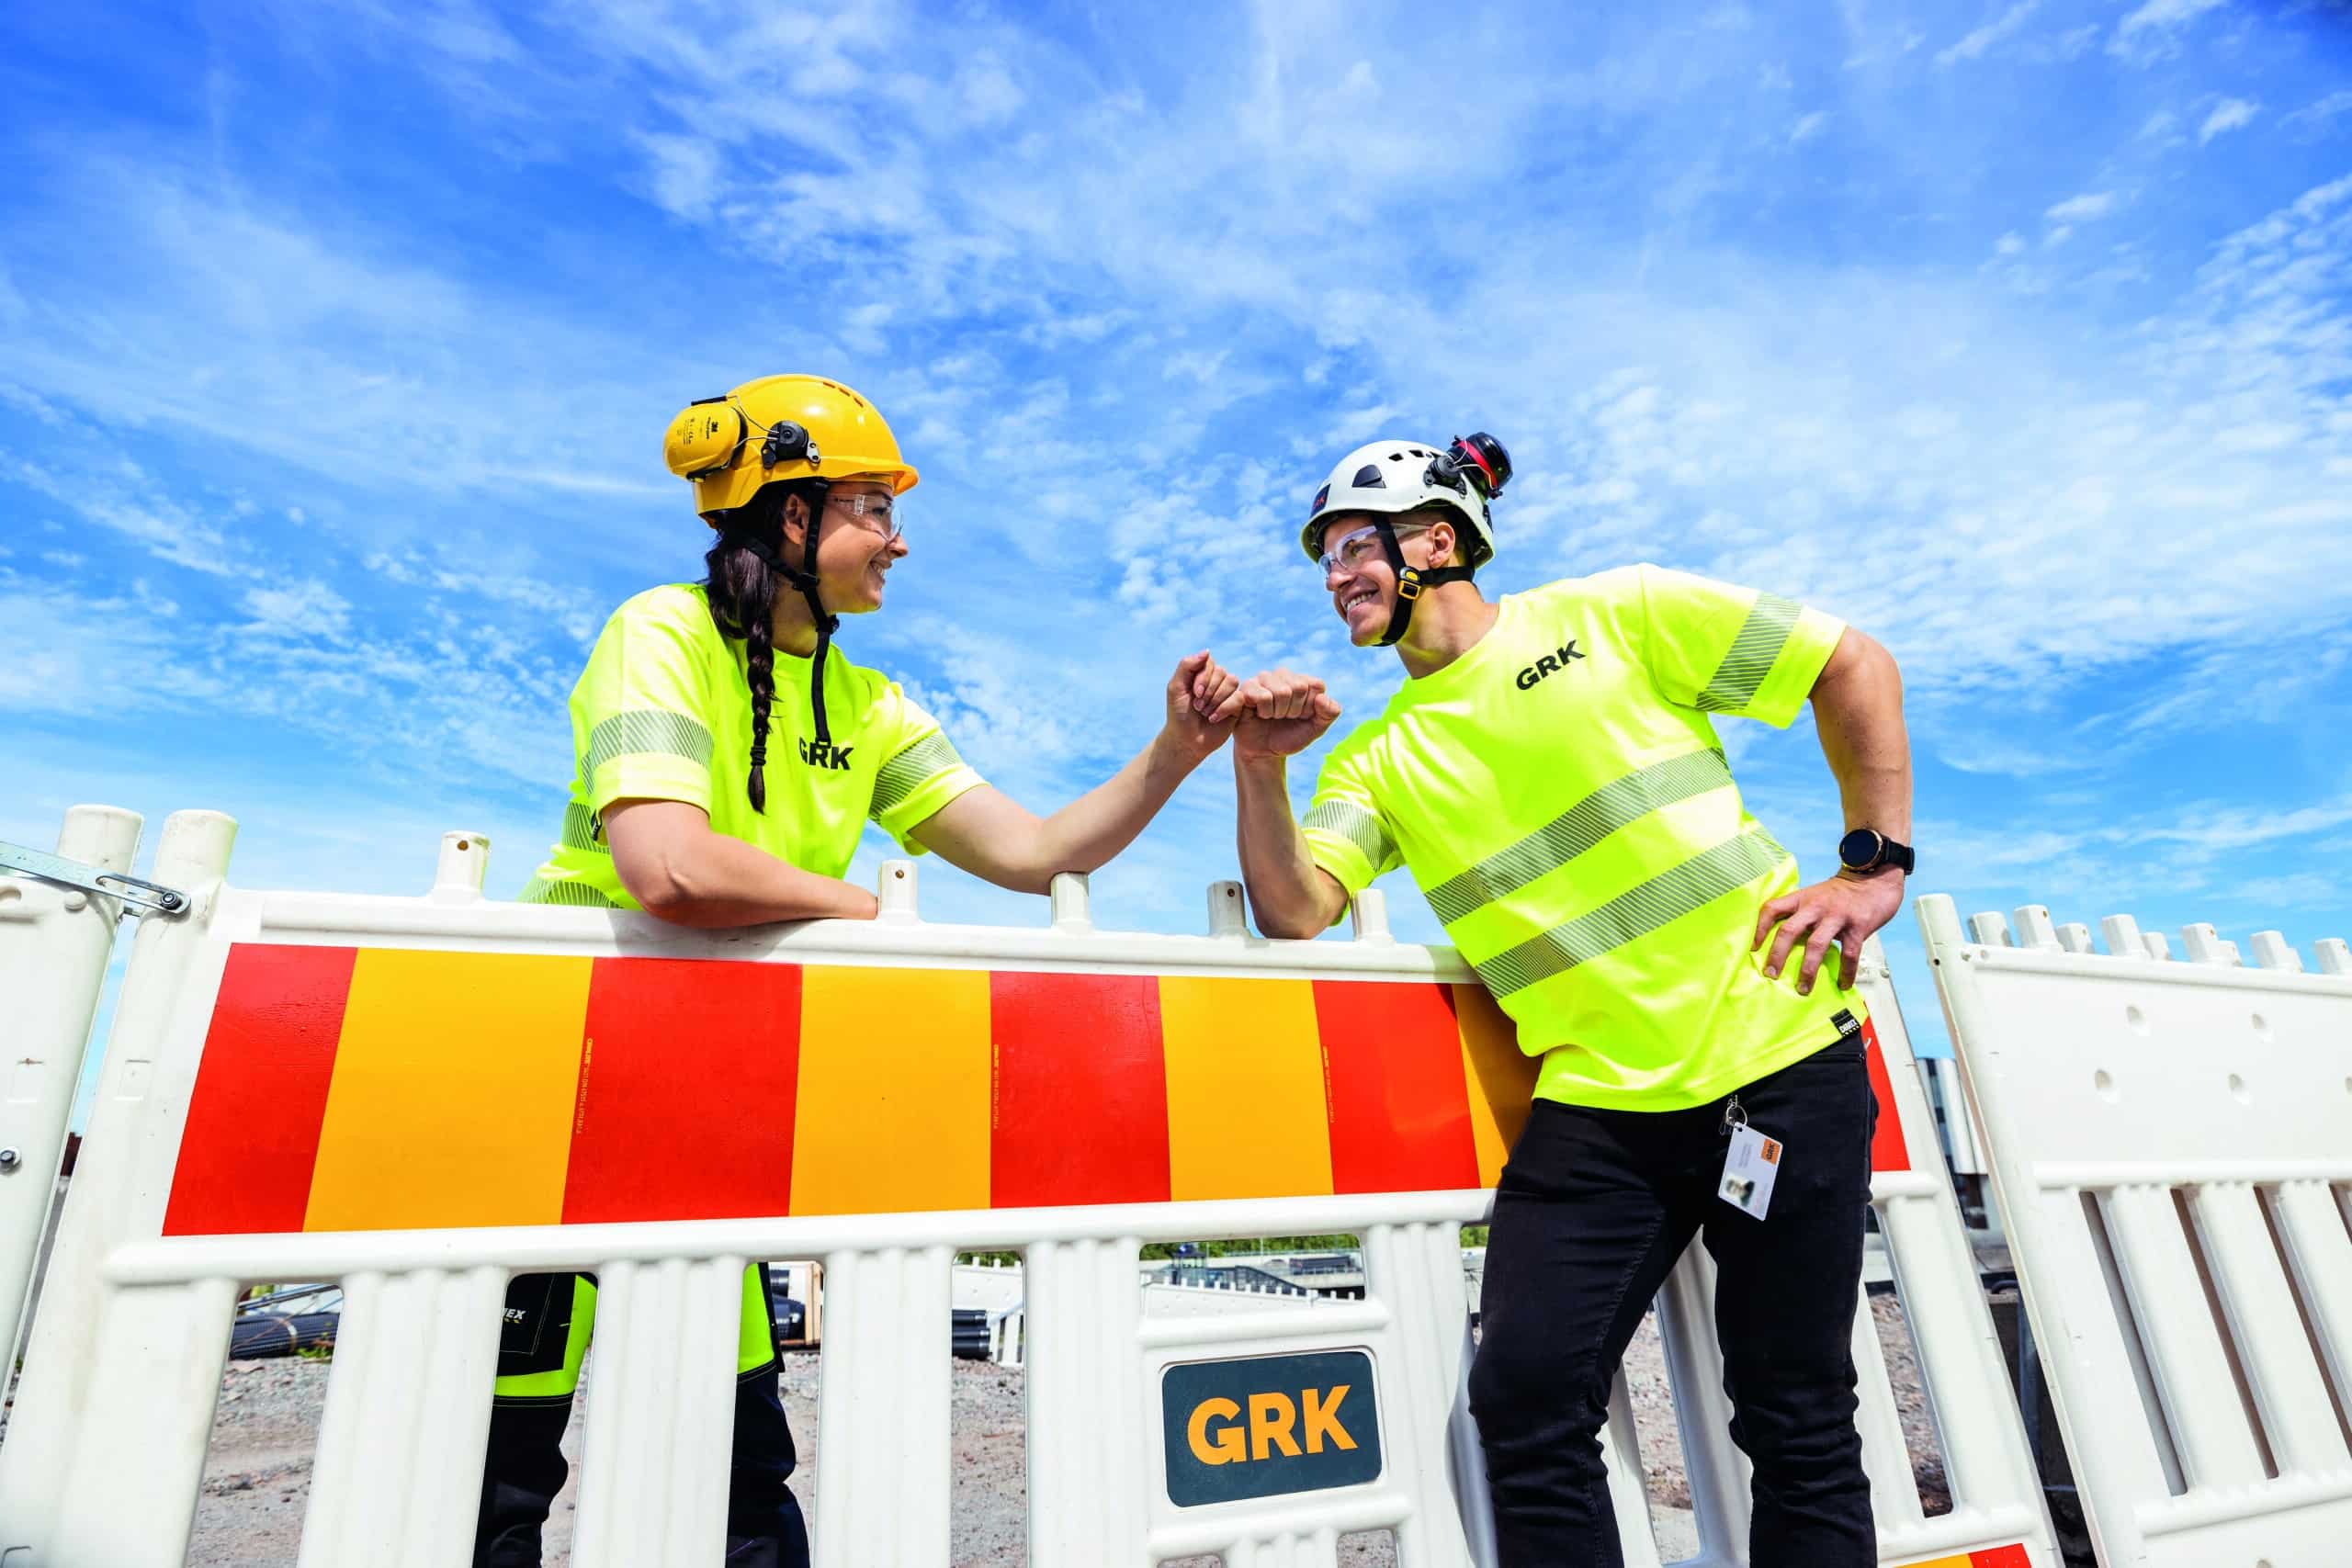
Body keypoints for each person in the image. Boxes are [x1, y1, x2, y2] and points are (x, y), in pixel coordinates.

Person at [479, 374, 1243, 1567]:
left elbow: (1037, 850)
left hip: (703, 1118)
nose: (899, 536)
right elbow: (665, 862)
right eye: (873, 506)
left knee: (739, 1488)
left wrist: (1176, 752)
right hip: (551, 1095)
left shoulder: (871, 703)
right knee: (493, 1477)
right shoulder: (661, 632)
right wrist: (856, 900)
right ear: (790, 518)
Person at [1227, 432, 1912, 1566]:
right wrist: (1260, 767)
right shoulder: (1376, 758)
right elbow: (1295, 908)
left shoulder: (1616, 613)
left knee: (1796, 1420)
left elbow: (1852, 664)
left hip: (1777, 1063)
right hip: (1600, 1112)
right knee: (1526, 1407)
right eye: (1325, 557)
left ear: (1435, 541)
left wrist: (1872, 864)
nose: (1335, 575)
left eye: (1354, 545)